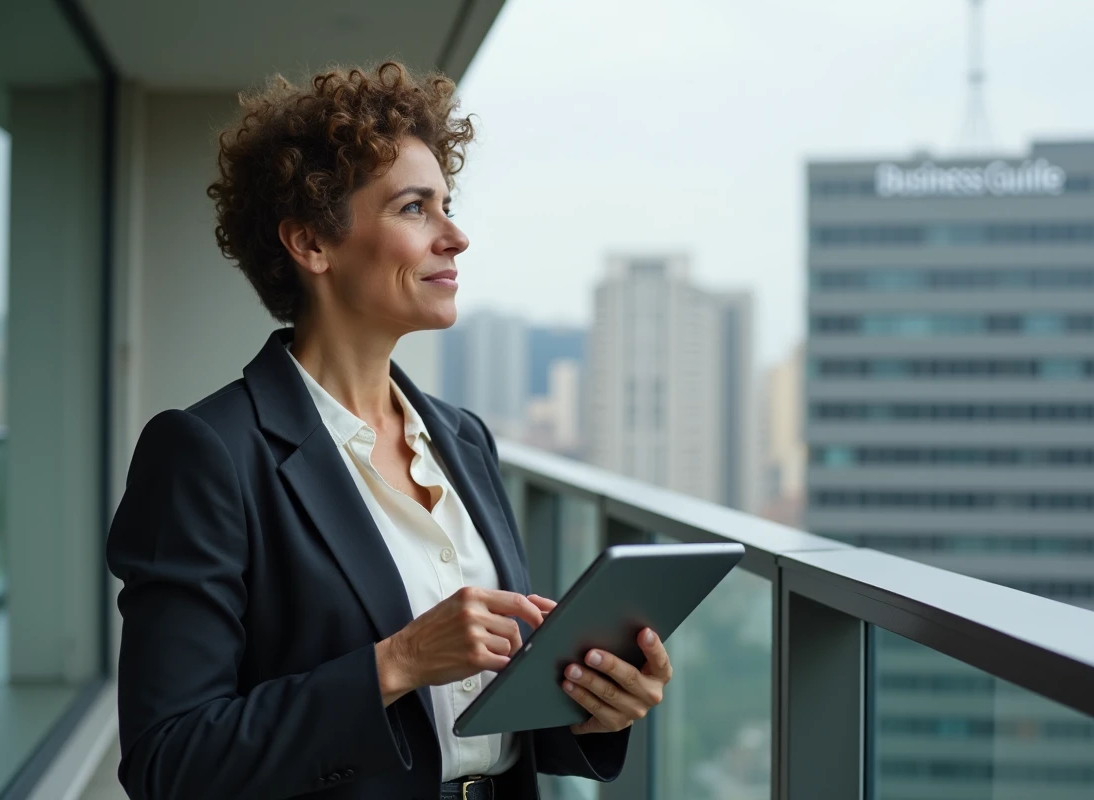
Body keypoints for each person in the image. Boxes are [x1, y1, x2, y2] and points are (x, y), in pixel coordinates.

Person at [106, 62, 672, 800]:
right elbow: (169, 762)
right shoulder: (207, 454)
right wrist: (396, 662)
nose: (456, 236)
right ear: (311, 244)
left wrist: (595, 706)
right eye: (415, 208)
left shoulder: (463, 440)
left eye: (448, 204)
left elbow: (472, 727)